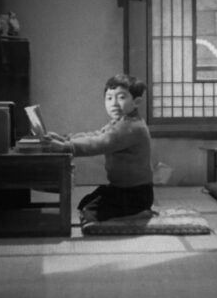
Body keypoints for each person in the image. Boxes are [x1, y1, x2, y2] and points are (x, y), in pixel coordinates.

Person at [40, 73, 153, 223]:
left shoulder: (131, 127)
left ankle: (138, 214)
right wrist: (65, 139)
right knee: (86, 203)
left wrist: (66, 147)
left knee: (90, 212)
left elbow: (99, 143)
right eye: (109, 98)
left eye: (121, 97)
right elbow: (96, 135)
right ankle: (133, 212)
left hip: (135, 192)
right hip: (120, 187)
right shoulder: (120, 122)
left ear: (136, 101)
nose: (114, 103)